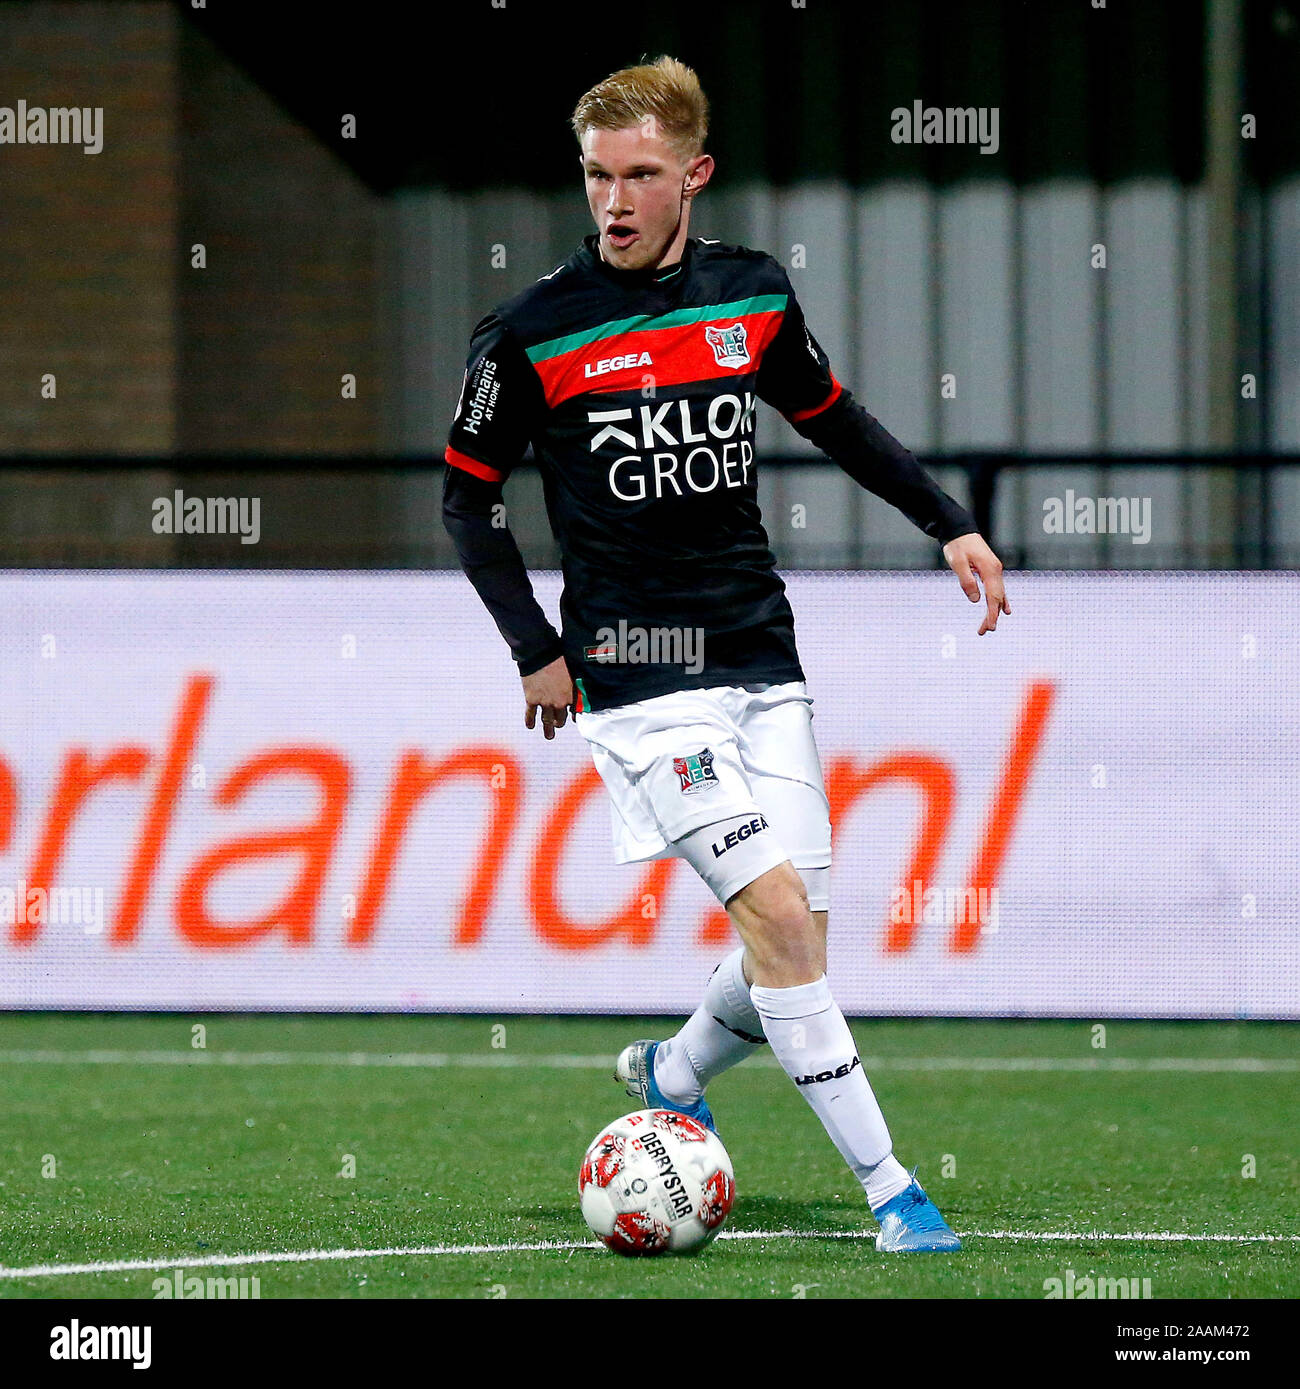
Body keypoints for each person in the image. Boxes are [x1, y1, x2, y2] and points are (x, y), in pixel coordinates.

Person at [442, 55, 1009, 1253]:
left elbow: (834, 419)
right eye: (597, 175)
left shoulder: (749, 296)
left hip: (761, 658)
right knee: (782, 922)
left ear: (692, 175)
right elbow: (468, 500)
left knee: (796, 918)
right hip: (640, 685)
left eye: (640, 174)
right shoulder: (531, 331)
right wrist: (533, 648)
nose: (614, 199)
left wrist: (945, 519)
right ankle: (892, 1188)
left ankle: (673, 1067)